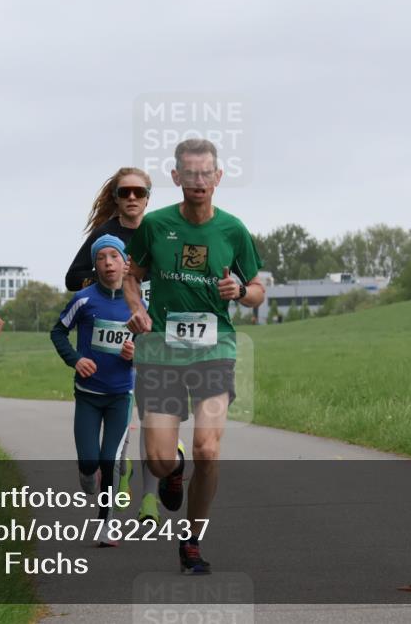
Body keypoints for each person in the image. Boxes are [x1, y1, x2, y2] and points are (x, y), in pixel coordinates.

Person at [124, 138, 265, 574]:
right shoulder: (155, 225)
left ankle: (192, 541)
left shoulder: (233, 230)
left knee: (208, 448)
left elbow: (258, 291)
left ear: (218, 177)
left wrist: (240, 290)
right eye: (190, 173)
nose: (199, 180)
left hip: (214, 349)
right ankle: (174, 469)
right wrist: (137, 307)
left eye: (206, 173)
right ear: (176, 177)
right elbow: (131, 276)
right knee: (159, 459)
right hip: (161, 353)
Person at [66, 167, 159, 523]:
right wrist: (112, 275)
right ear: (117, 198)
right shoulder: (105, 234)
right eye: (125, 192)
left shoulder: (159, 231)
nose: (132, 197)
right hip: (117, 333)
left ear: (148, 197)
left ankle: (149, 499)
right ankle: (119, 471)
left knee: (154, 415)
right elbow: (72, 278)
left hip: (152, 331)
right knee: (124, 413)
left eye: (139, 192)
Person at [52, 235, 136, 545]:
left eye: (114, 256)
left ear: (125, 263)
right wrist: (76, 359)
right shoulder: (84, 300)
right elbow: (58, 332)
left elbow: (152, 345)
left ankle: (105, 525)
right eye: (101, 258)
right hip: (88, 395)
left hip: (121, 395)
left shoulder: (139, 304)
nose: (108, 263)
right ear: (95, 265)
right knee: (90, 463)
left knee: (109, 461)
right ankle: (88, 474)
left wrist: (136, 353)